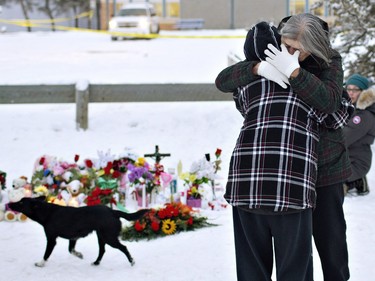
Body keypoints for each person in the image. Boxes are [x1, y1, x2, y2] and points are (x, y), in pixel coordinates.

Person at [216, 13, 351, 281]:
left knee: (331, 246)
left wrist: (296, 74)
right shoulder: (272, 54)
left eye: (296, 49)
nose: (288, 52)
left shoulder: (329, 61)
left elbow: (333, 104)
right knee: (291, 254)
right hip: (286, 170)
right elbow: (225, 81)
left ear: (313, 47)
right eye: (285, 45)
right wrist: (257, 68)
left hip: (324, 168)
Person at [343, 74, 373, 195]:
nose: (351, 93)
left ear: (363, 92)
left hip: (356, 163)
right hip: (347, 160)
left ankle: (356, 182)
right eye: (348, 89)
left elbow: (343, 138)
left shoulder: (364, 116)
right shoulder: (351, 109)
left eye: (355, 90)